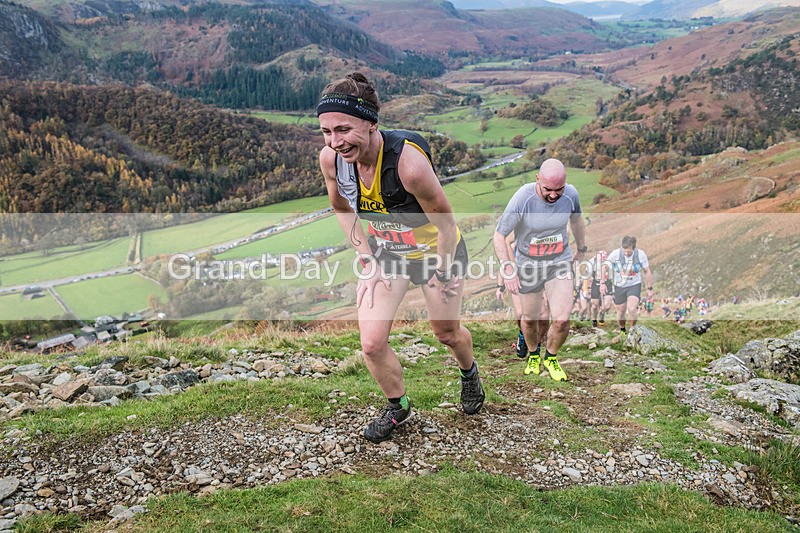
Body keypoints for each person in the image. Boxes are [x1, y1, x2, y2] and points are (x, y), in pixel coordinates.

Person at [317, 73, 484, 443]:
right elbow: (341, 208)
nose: (335, 141)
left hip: (437, 252)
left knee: (446, 333)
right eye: (326, 132)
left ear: (372, 123)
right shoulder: (332, 160)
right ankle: (398, 407)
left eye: (344, 129)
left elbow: (445, 223)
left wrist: (443, 270)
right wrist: (367, 255)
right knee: (371, 343)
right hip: (388, 255)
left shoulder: (408, 165)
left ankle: (469, 373)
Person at [493, 158, 587, 381]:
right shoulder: (523, 199)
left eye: (559, 189)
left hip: (559, 261)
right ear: (538, 180)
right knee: (529, 318)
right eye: (548, 189)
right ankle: (533, 354)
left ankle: (551, 358)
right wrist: (508, 269)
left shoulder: (571, 195)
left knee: (562, 319)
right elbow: (499, 236)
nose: (554, 195)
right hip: (529, 264)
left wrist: (582, 247)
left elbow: (577, 221)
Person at [495, 231, 550, 362]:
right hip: (518, 279)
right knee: (520, 313)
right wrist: (500, 287)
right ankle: (523, 335)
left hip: (541, 276)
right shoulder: (512, 244)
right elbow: (503, 267)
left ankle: (535, 344)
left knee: (543, 315)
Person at [601, 236, 653, 333]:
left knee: (632, 308)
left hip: (634, 284)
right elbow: (604, 267)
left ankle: (633, 330)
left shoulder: (640, 255)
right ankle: (622, 329)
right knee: (621, 310)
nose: (626, 253)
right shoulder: (616, 254)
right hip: (619, 285)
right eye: (624, 251)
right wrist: (602, 283)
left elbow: (647, 271)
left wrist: (649, 288)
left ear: (633, 248)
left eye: (628, 252)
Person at [589, 250, 613, 327]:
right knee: (594, 305)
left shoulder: (610, 262)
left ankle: (602, 312)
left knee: (607, 306)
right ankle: (594, 320)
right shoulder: (592, 262)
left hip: (607, 282)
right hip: (596, 283)